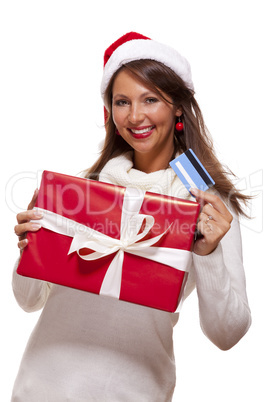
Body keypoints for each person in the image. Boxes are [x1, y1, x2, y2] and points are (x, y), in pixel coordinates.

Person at [12, 32, 251, 401]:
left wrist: (209, 255)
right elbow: (28, 300)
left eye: (150, 99)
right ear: (110, 111)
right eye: (122, 101)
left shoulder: (207, 208)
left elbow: (227, 334)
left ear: (177, 107)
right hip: (42, 387)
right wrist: (30, 245)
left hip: (133, 392)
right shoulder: (83, 192)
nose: (135, 116)